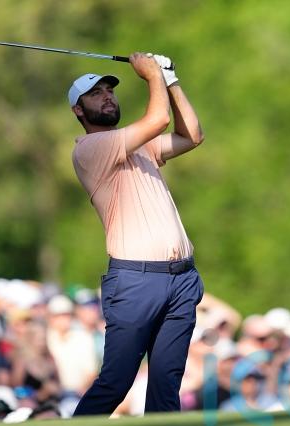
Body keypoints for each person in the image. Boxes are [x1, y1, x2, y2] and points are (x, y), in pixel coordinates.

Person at [69, 52, 205, 415]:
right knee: (116, 382)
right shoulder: (90, 149)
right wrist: (151, 75)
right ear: (79, 111)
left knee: (166, 386)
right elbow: (159, 119)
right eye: (95, 94)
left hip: (181, 278)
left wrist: (171, 79)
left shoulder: (138, 146)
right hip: (136, 281)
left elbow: (192, 135)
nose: (107, 97)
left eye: (109, 91)